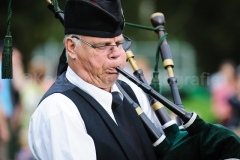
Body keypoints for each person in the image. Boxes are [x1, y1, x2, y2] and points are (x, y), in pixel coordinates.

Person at [28, 0, 161, 159]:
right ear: (72, 48)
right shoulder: (60, 110)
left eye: (119, 43)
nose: (116, 54)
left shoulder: (133, 92)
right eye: (103, 46)